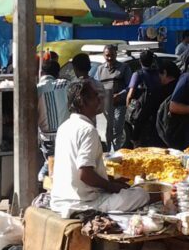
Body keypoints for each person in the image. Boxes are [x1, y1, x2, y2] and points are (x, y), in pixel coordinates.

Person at [49, 80, 149, 218]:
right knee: (141, 194)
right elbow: (84, 174)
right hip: (83, 204)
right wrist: (111, 186)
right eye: (95, 96)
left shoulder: (64, 127)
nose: (99, 100)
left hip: (60, 201)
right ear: (82, 102)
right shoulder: (87, 130)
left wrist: (110, 180)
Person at [92, 44, 132, 152]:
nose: (109, 58)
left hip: (119, 104)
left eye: (112, 55)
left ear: (116, 55)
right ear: (104, 55)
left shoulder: (124, 68)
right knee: (106, 131)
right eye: (107, 55)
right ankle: (108, 151)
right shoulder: (100, 69)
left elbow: (130, 86)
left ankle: (116, 152)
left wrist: (120, 95)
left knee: (117, 129)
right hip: (105, 105)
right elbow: (96, 85)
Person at [37, 59, 69, 182]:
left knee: (51, 163)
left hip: (47, 138)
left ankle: (42, 179)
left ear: (42, 73)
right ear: (57, 74)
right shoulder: (65, 84)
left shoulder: (37, 89)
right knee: (59, 166)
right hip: (65, 136)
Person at [125, 50, 162, 147]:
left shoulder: (138, 74)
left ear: (140, 61)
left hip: (141, 113)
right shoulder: (158, 73)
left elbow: (130, 94)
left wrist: (129, 109)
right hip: (156, 112)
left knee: (137, 140)